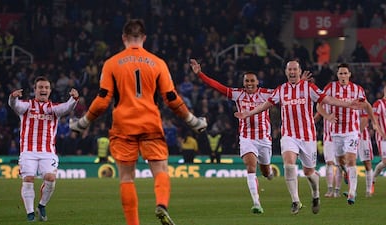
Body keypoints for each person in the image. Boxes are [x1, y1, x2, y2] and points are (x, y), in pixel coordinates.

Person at [70, 19, 207, 225]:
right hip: (150, 123)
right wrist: (192, 120)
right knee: (160, 170)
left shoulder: (112, 63)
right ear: (144, 38)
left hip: (123, 125)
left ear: (124, 38)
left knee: (126, 177)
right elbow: (171, 98)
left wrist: (83, 122)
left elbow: (102, 101)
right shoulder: (158, 63)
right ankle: (161, 204)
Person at [234, 60, 363, 215]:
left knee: (309, 173)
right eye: (290, 70)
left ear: (299, 71)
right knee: (289, 164)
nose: (292, 72)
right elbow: (265, 105)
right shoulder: (281, 90)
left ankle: (315, 195)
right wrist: (248, 113)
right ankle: (296, 201)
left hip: (307, 136)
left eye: (295, 69)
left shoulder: (309, 88)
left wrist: (347, 104)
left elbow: (327, 100)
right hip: (289, 135)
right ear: (286, 72)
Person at [190, 59, 275, 214]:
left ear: (257, 82)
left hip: (264, 139)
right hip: (247, 137)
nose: (249, 83)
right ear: (243, 83)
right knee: (250, 167)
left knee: (265, 171)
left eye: (252, 81)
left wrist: (300, 84)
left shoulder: (267, 94)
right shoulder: (238, 94)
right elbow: (217, 86)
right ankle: (256, 203)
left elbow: (284, 93)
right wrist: (200, 74)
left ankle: (269, 173)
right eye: (246, 81)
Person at [8, 76, 79, 222]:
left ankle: (41, 205)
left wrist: (74, 99)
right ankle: (30, 214)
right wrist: (13, 98)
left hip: (47, 152)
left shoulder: (54, 109)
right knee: (28, 179)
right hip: (28, 151)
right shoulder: (27, 106)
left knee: (50, 178)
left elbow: (67, 107)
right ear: (35, 90)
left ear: (50, 91)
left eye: (46, 87)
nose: (43, 90)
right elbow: (15, 106)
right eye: (40, 87)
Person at [317, 63, 380, 205]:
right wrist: (327, 116)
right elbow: (319, 105)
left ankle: (352, 193)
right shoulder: (330, 88)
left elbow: (367, 106)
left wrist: (374, 121)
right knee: (341, 162)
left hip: (352, 131)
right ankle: (346, 173)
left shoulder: (357, 89)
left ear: (350, 74)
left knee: (351, 160)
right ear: (337, 75)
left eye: (345, 73)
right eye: (341, 73)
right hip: (336, 132)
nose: (343, 76)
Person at [358, 110, 375, 197]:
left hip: (362, 137)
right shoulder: (344, 101)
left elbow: (365, 119)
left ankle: (368, 190)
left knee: (367, 163)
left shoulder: (361, 102)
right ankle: (351, 190)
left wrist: (357, 133)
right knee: (346, 162)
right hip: (348, 136)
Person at [372, 86, 386, 188]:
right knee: (385, 162)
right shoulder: (378, 104)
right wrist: (382, 133)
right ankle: (373, 179)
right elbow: (374, 122)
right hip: (383, 138)